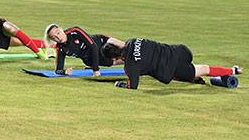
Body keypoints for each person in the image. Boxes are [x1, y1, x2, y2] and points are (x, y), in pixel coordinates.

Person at [101, 38, 242, 90]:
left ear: (114, 59)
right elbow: (122, 45)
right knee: (201, 69)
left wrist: (121, 84)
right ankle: (233, 69)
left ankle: (197, 78)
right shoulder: (134, 41)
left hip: (173, 69)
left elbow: (133, 86)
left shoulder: (130, 67)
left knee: (203, 69)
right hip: (181, 51)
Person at [44, 24, 124, 76]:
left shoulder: (75, 31)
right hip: (92, 59)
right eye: (54, 37)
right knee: (124, 60)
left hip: (100, 43)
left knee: (126, 48)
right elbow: (58, 70)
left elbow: (94, 47)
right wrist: (65, 72)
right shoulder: (61, 49)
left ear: (61, 29)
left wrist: (96, 70)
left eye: (58, 33)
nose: (58, 37)